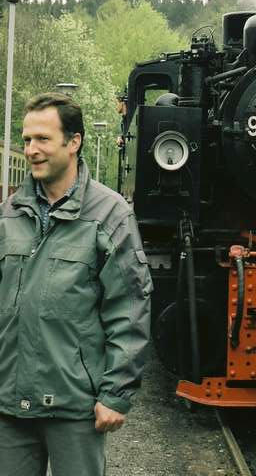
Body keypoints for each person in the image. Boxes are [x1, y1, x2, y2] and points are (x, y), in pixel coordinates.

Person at [0, 93, 152, 476]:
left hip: (75, 406)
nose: (31, 149)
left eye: (42, 139)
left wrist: (115, 394)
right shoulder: (10, 214)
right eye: (27, 139)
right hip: (9, 403)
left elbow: (129, 308)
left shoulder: (109, 215)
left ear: (74, 142)